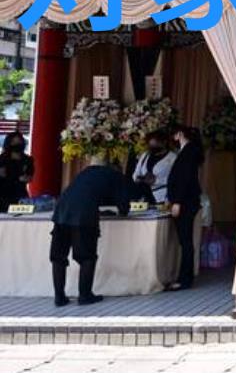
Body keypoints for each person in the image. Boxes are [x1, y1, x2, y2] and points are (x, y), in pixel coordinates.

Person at [50, 155, 129, 307]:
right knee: (87, 256)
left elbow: (84, 192)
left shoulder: (86, 172)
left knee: (58, 256)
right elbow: (124, 206)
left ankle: (59, 297)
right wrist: (120, 210)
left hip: (61, 211)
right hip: (84, 215)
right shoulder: (115, 175)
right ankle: (85, 295)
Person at [165, 125, 204, 291]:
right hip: (187, 201)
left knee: (185, 241)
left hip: (185, 202)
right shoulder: (189, 151)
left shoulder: (188, 152)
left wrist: (177, 201)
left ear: (180, 134)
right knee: (185, 240)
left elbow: (184, 179)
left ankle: (185, 279)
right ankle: (184, 277)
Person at [130, 130, 176, 204]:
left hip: (162, 197)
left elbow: (176, 179)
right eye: (150, 142)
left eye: (155, 142)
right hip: (143, 197)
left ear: (164, 142)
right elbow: (135, 174)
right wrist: (139, 179)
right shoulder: (145, 155)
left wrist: (156, 181)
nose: (151, 144)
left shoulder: (173, 158)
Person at [0, 131, 34, 212]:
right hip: (3, 196)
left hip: (21, 195)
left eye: (19, 141)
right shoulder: (2, 159)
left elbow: (30, 177)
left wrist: (27, 178)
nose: (17, 144)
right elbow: (2, 176)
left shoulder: (28, 160)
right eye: (14, 142)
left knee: (24, 216)